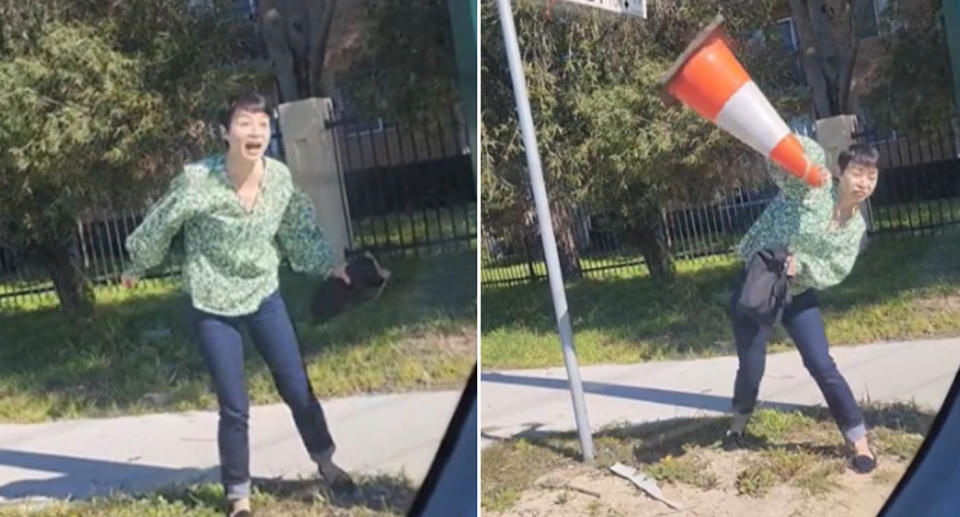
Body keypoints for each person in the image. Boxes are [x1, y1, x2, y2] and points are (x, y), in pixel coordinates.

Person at [122, 92, 354, 517]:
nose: (255, 132)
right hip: (211, 300)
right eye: (245, 123)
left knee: (297, 386)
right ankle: (238, 496)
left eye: (262, 124)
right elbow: (162, 220)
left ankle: (327, 462)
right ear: (225, 132)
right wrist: (138, 264)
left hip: (264, 295)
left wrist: (329, 267)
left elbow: (298, 229)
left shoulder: (279, 179)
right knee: (234, 402)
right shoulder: (198, 180)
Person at [724, 135, 881, 474]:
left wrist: (803, 266)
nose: (864, 183)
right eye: (857, 173)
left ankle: (858, 440)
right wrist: (809, 161)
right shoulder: (811, 189)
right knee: (751, 363)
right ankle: (737, 425)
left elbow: (837, 267)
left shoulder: (855, 227)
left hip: (798, 291)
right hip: (758, 284)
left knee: (821, 363)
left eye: (871, 176)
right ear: (841, 173)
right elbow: (783, 164)